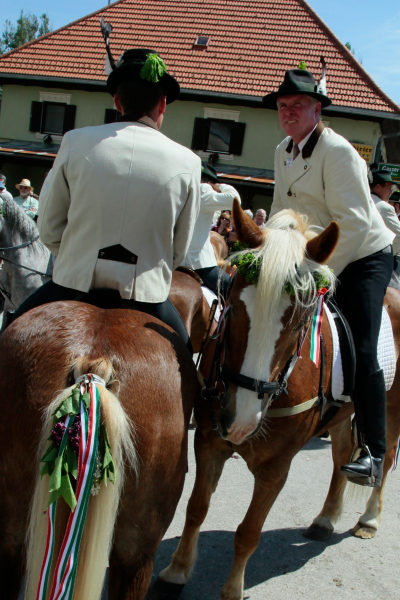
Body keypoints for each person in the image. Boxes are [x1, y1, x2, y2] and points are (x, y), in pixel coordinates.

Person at [9, 47, 201, 351]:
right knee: (185, 358)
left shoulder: (75, 141)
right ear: (163, 104)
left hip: (72, 284)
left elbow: (48, 229)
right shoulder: (188, 162)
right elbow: (178, 251)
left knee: (9, 335)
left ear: (117, 101)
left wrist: (79, 255)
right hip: (145, 296)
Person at [263, 68, 394, 487]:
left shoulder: (338, 151)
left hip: (361, 256)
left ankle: (373, 451)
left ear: (317, 110)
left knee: (364, 346)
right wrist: (265, 256)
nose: (288, 112)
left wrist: (318, 276)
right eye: (283, 106)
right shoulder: (283, 150)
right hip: (313, 256)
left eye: (298, 105)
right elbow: (281, 211)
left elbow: (353, 225)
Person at [183, 162, 240, 297]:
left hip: (172, 260)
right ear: (210, 182)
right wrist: (219, 186)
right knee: (236, 291)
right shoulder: (204, 189)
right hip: (198, 264)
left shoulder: (183, 187)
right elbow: (235, 199)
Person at [370, 170, 400, 275]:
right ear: (378, 187)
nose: (391, 192)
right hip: (378, 260)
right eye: (389, 188)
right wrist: (390, 253)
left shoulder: (362, 201)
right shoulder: (384, 207)